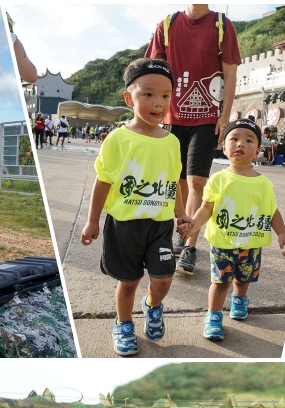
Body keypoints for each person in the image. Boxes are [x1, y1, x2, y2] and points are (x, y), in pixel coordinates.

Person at [80, 58, 187, 356]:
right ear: (129, 98)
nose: (158, 103)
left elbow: (174, 182)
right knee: (128, 282)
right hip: (124, 225)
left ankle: (152, 307)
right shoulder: (118, 139)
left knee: (163, 279)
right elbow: (103, 182)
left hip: (160, 225)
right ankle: (123, 323)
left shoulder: (172, 142)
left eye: (166, 95)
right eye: (148, 94)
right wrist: (92, 221)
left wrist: (182, 214)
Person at [147, 4, 242, 273]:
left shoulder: (222, 25)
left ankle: (189, 245)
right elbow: (153, 70)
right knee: (177, 181)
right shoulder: (166, 25)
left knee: (197, 180)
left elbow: (230, 74)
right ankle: (178, 229)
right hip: (171, 117)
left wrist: (224, 116)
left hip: (206, 117)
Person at [179, 118, 285, 340]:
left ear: (258, 150)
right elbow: (206, 208)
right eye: (234, 138)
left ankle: (239, 301)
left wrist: (282, 233)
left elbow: (272, 212)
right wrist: (193, 225)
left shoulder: (264, 184)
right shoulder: (218, 179)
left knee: (243, 279)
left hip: (251, 244)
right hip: (223, 243)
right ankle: (213, 316)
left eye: (249, 140)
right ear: (224, 147)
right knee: (221, 282)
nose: (240, 144)